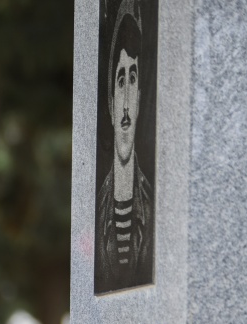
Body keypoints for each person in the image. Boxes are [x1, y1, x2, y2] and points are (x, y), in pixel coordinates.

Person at [95, 0, 153, 294]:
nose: (126, 105)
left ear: (140, 97)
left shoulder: (150, 202)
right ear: (110, 99)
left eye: (132, 78)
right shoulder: (99, 208)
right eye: (120, 82)